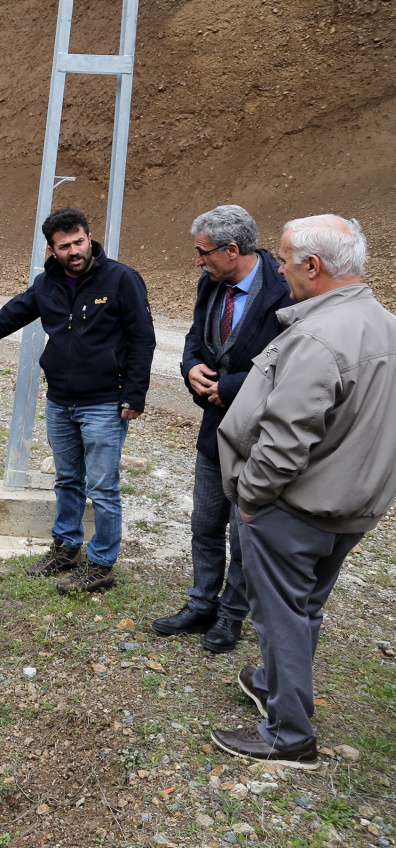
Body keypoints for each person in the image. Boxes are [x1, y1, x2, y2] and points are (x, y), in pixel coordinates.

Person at [212, 214, 396, 768]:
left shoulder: (318, 336)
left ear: (312, 267)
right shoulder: (384, 323)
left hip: (295, 508)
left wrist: (249, 497)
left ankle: (288, 734)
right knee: (306, 604)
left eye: (287, 259)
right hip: (354, 505)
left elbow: (284, 441)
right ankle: (272, 680)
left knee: (281, 615)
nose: (280, 267)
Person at [0, 206, 156, 594]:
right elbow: (3, 319)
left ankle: (100, 563)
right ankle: (66, 547)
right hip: (60, 401)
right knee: (67, 479)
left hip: (104, 402)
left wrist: (135, 393)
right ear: (52, 249)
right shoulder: (45, 285)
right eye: (64, 246)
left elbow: (142, 339)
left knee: (102, 487)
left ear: (89, 238)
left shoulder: (121, 280)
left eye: (79, 242)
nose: (74, 251)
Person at [152, 206, 291, 654]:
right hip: (215, 430)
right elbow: (196, 336)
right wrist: (191, 366)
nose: (198, 261)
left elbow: (292, 365)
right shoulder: (211, 283)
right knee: (205, 522)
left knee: (243, 532)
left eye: (203, 252)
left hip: (260, 436)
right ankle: (200, 603)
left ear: (233, 250)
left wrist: (229, 387)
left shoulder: (288, 289)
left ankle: (231, 616)